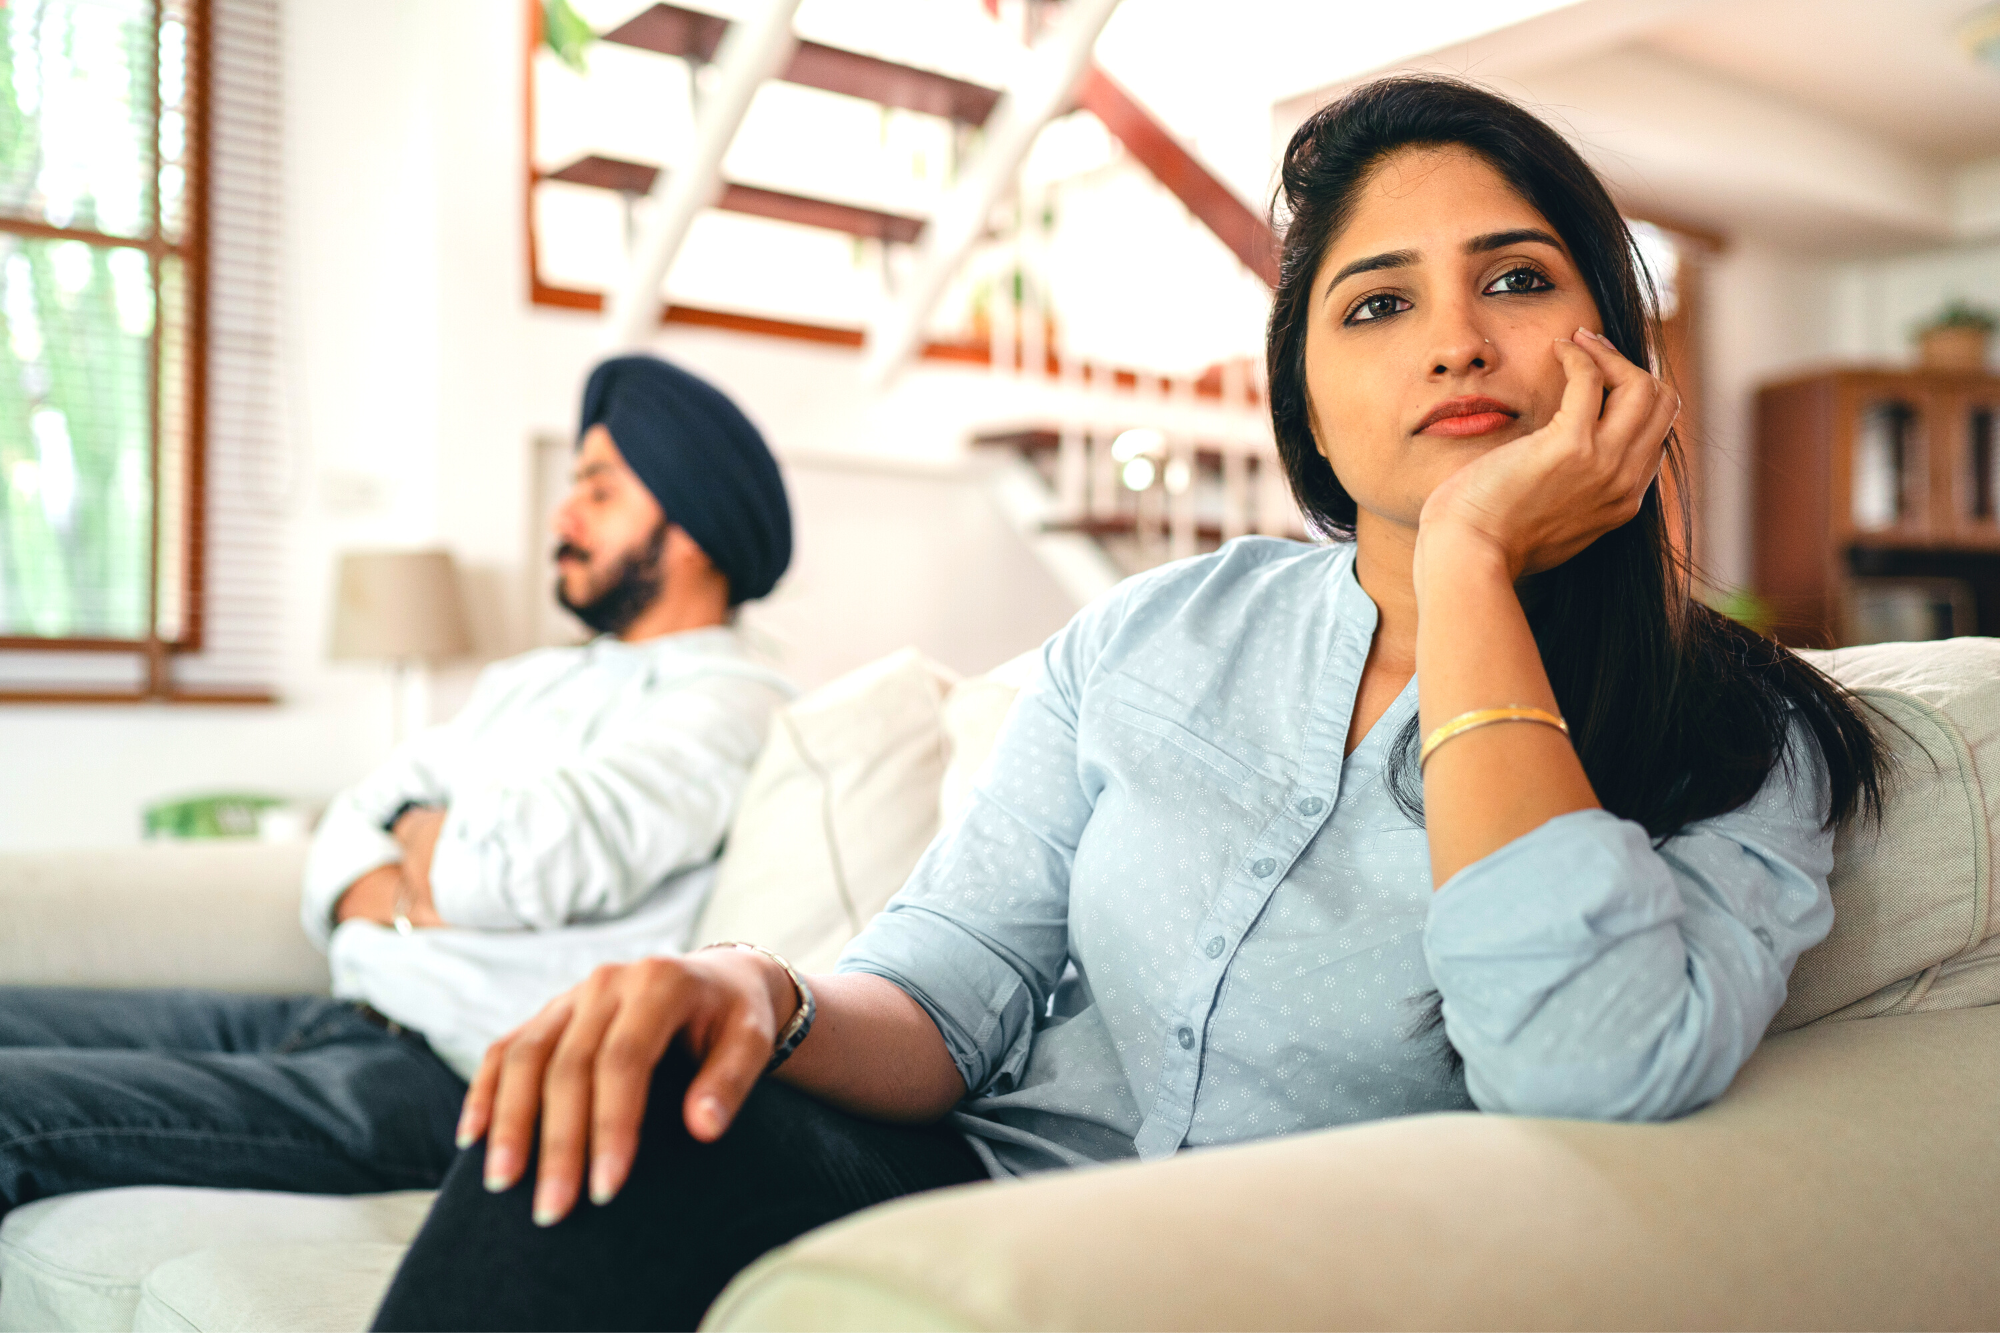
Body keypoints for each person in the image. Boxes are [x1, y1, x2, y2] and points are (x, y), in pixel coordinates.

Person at [372, 77, 1889, 1332]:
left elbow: (1587, 1063)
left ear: (1613, 343)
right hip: (961, 1200)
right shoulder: (1158, 630)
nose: (1453, 341)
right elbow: (957, 981)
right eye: (1374, 304)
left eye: (1514, 278)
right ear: (1300, 388)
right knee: (600, 1125)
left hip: (1283, 1281)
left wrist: (1476, 563)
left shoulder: (1743, 734)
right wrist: (754, 992)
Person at [0, 354, 795, 1221]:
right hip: (339, 1014)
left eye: (599, 492)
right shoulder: (531, 680)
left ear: (693, 528)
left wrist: (423, 849)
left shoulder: (733, 701)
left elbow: (512, 866)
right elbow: (354, 822)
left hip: (441, 1080)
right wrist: (424, 871)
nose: (562, 514)